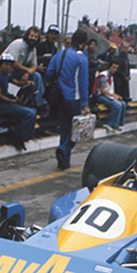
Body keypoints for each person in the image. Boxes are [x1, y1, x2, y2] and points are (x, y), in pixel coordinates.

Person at [46, 29, 90, 169]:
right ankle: (63, 149)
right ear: (83, 42)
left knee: (64, 129)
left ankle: (64, 163)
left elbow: (49, 72)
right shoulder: (81, 58)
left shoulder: (60, 53)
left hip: (59, 96)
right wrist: (86, 103)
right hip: (73, 97)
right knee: (76, 131)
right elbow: (83, 83)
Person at [0, 54, 37, 151]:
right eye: (6, 64)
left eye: (10, 65)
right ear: (1, 64)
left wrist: (28, 83)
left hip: (8, 103)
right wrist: (12, 101)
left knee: (34, 111)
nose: (8, 67)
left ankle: (25, 137)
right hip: (2, 105)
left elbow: (17, 83)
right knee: (29, 114)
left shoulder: (6, 76)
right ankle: (16, 138)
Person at [96, 59, 126, 132]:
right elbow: (103, 90)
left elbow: (110, 90)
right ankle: (108, 123)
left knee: (123, 104)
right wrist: (113, 96)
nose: (115, 69)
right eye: (113, 67)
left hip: (108, 95)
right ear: (110, 66)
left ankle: (118, 124)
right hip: (100, 96)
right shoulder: (104, 76)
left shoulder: (111, 76)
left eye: (116, 68)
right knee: (117, 105)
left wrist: (116, 95)